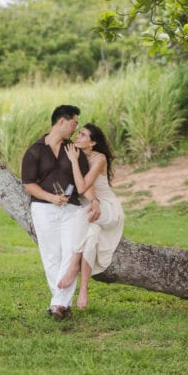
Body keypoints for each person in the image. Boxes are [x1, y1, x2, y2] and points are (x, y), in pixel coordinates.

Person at [21, 104, 100, 321]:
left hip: (72, 208)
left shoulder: (74, 151)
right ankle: (60, 304)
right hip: (44, 208)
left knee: (70, 251)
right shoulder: (34, 150)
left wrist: (95, 201)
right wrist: (51, 198)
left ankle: (58, 304)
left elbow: (84, 183)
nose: (76, 128)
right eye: (74, 122)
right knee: (51, 254)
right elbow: (28, 185)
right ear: (61, 121)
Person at [56, 123, 125, 310]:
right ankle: (84, 289)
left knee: (81, 215)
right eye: (78, 133)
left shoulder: (99, 158)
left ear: (92, 142)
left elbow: (82, 187)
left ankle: (73, 267)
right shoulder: (76, 155)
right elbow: (75, 188)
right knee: (92, 234)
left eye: (83, 135)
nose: (78, 137)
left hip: (107, 210)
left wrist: (73, 161)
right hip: (91, 210)